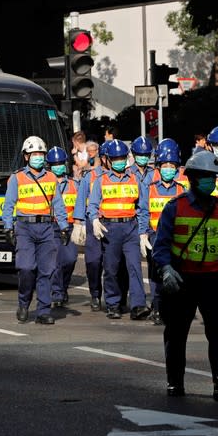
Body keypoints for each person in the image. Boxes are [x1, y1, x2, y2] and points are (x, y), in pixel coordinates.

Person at [152, 151, 218, 400]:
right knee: (176, 333)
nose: (211, 182)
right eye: (205, 177)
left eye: (213, 177)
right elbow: (161, 247)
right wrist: (166, 269)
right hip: (183, 281)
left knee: (217, 333)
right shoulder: (175, 207)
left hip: (213, 281)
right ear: (192, 178)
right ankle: (175, 382)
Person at [2, 136, 70, 324]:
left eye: (40, 154)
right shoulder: (17, 178)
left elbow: (58, 203)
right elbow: (8, 205)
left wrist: (64, 227)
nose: (38, 157)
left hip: (47, 227)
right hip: (25, 228)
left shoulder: (51, 178)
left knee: (46, 271)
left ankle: (43, 311)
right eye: (34, 154)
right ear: (26, 156)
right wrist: (8, 227)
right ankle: (24, 303)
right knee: (26, 268)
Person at [86, 139, 151, 320]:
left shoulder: (135, 179)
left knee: (134, 266)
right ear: (108, 159)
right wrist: (95, 220)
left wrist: (143, 232)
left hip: (130, 227)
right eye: (116, 158)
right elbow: (92, 205)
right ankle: (113, 304)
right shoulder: (101, 181)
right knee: (112, 268)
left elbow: (142, 208)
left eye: (122, 157)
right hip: (110, 228)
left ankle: (138, 305)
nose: (120, 161)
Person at [144, 139, 186, 324]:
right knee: (157, 274)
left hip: (176, 239)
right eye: (165, 165)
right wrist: (142, 233)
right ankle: (157, 307)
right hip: (154, 236)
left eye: (172, 165)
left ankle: (174, 307)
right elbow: (143, 212)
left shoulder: (182, 190)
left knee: (176, 273)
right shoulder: (150, 189)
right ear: (159, 167)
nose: (168, 168)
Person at [73, 143, 106, 311]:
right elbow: (81, 200)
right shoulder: (90, 176)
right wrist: (78, 224)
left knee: (113, 265)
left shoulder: (126, 177)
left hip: (111, 225)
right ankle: (95, 294)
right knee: (93, 262)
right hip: (92, 223)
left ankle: (115, 299)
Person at [47, 146, 80, 308]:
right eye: (55, 164)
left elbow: (81, 206)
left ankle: (63, 287)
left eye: (61, 163)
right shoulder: (46, 184)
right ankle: (57, 293)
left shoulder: (74, 184)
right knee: (56, 261)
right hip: (52, 227)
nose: (59, 166)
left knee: (70, 259)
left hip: (70, 227)